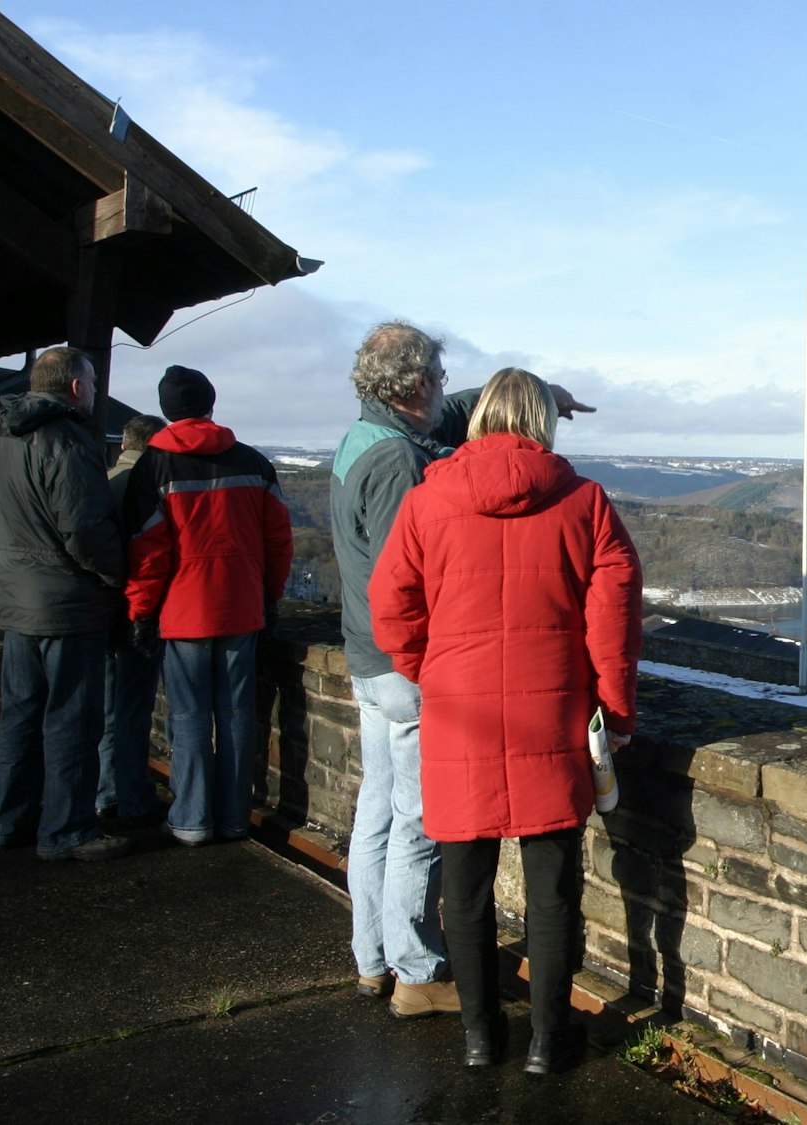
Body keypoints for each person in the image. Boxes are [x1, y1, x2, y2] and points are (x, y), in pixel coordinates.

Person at [370, 366, 641, 1071]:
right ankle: (549, 1043)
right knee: (552, 893)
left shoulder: (429, 501)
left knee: (462, 888)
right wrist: (616, 711)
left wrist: (426, 666)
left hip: (457, 714)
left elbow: (390, 602)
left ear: (481, 416)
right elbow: (613, 621)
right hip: (550, 713)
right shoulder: (584, 502)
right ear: (542, 423)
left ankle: (480, 1035)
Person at [331, 321, 595, 1021]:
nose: (447, 396)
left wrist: (535, 392)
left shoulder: (364, 435)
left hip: (365, 659)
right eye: (440, 383)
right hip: (402, 669)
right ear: (417, 386)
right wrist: (430, 666)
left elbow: (458, 415)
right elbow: (413, 589)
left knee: (377, 816)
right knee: (420, 824)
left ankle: (371, 960)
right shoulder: (398, 465)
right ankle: (416, 971)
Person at [124, 367, 293, 847]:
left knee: (190, 718)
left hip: (182, 611)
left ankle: (192, 819)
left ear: (166, 410)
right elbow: (278, 538)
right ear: (211, 404)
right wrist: (271, 593)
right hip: (241, 605)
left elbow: (147, 550)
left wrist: (140, 609)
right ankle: (234, 818)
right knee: (238, 715)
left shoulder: (153, 466)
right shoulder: (254, 463)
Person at [0, 346, 130, 861]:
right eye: (90, 383)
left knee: (20, 713)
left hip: (18, 600)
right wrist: (117, 575)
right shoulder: (66, 441)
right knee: (71, 718)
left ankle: (9, 821)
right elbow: (85, 529)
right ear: (74, 387)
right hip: (68, 605)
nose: (92, 392)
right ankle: (67, 830)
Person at [96, 414, 167, 828]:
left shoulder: (102, 482)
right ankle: (130, 794)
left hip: (100, 608)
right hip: (138, 609)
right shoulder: (149, 489)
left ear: (124, 444)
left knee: (104, 707)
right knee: (133, 709)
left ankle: (104, 790)